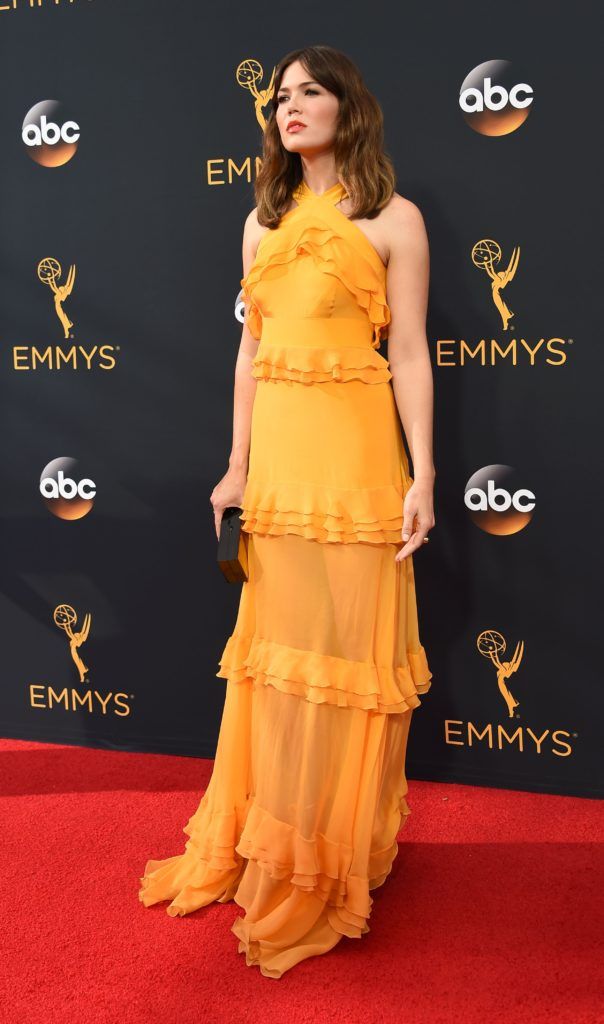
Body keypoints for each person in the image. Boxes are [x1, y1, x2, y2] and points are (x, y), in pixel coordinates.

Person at [138, 44, 435, 979]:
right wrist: (235, 468)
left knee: (344, 661)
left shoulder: (396, 220)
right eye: (279, 97)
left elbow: (415, 356)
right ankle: (277, 843)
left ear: (351, 108)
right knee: (278, 666)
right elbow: (248, 358)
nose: (288, 107)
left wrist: (424, 475)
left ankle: (333, 859)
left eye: (310, 92)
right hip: (279, 476)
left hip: (353, 477)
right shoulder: (258, 228)